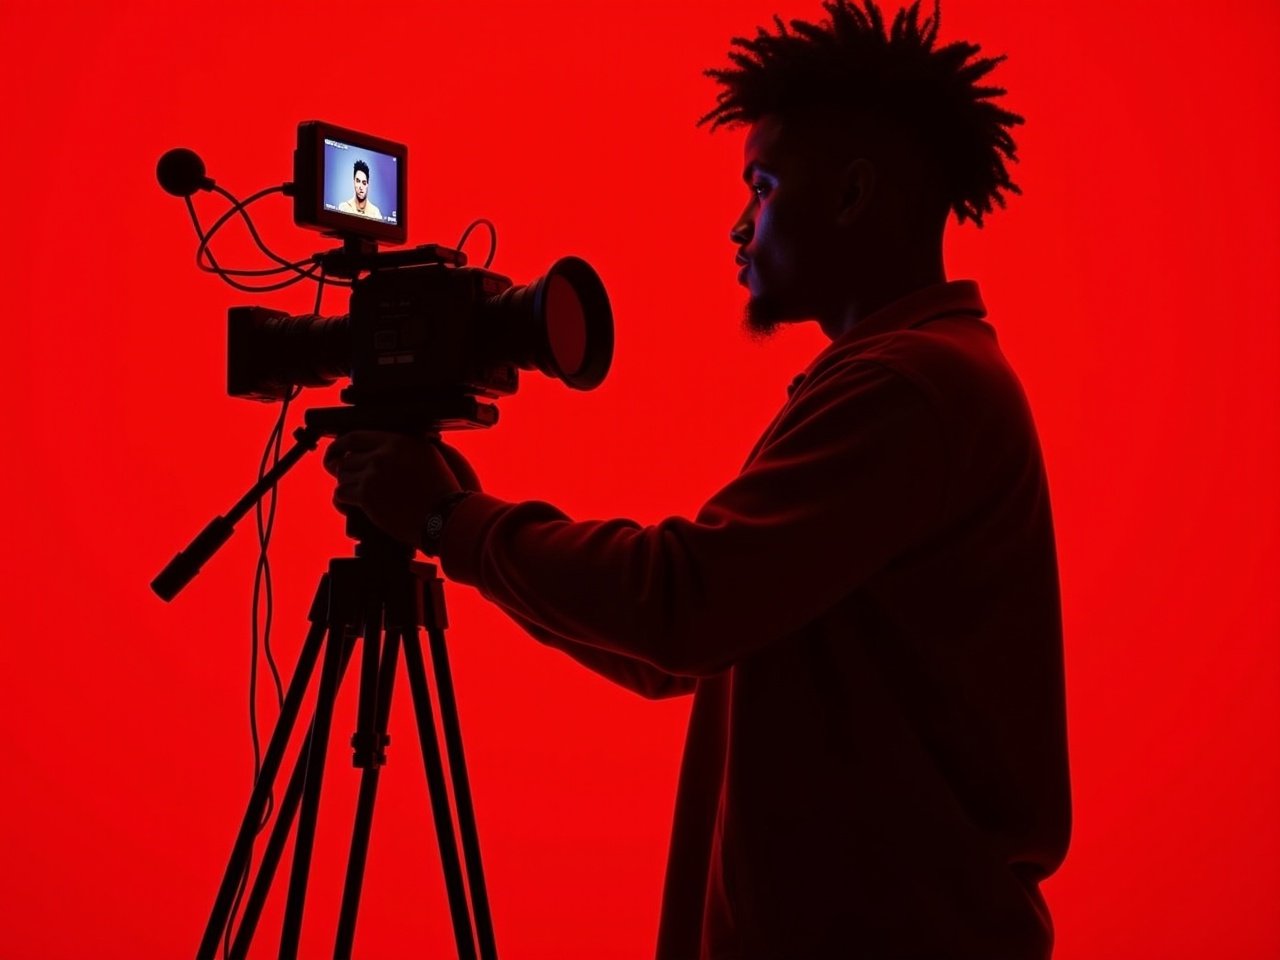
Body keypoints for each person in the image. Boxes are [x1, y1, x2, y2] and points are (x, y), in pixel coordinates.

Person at [324, 1, 1071, 956]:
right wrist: (461, 522)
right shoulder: (917, 375)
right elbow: (678, 649)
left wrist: (448, 518)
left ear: (849, 194)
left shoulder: (906, 386)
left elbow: (682, 604)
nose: (739, 224)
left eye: (761, 186)